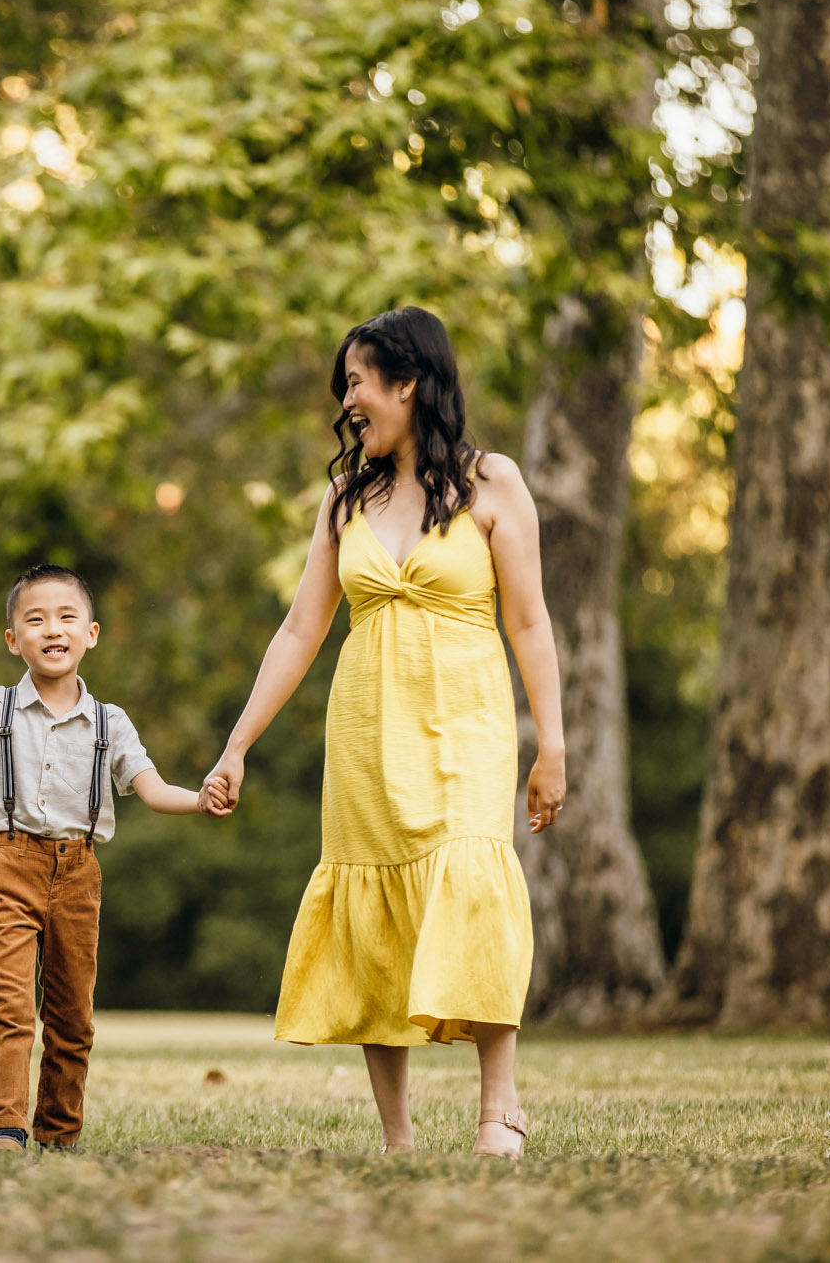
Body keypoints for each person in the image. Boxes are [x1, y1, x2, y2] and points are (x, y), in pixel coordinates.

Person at [203, 306, 564, 1160]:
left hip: (467, 720)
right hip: (367, 725)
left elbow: (532, 621)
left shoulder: (494, 483)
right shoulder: (345, 497)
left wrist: (554, 741)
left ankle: (499, 1106)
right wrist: (237, 743)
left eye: (359, 380)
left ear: (410, 382)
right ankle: (397, 1135)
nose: (348, 399)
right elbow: (299, 631)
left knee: (472, 882)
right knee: (373, 909)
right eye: (345, 386)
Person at [0, 564, 224, 1152]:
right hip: (8, 863)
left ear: (92, 633)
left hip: (79, 874)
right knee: (11, 1007)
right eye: (36, 619)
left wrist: (199, 799)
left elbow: (151, 789)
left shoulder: (111, 722)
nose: (53, 629)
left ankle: (59, 1134)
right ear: (12, 639)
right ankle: (6, 1127)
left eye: (66, 617)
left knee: (73, 1017)